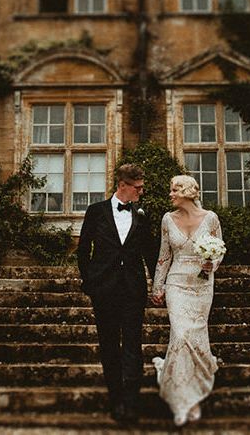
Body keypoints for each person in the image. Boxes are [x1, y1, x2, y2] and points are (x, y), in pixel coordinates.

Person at [77, 163, 159, 425]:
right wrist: (90, 282)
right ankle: (116, 402)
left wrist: (158, 283)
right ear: (122, 185)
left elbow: (150, 252)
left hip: (133, 290)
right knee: (109, 346)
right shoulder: (96, 211)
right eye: (137, 188)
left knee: (133, 346)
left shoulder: (143, 215)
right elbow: (83, 250)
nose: (141, 192)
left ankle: (132, 404)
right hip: (104, 290)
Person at [151, 174, 223, 426]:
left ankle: (193, 399)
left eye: (173, 190)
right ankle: (180, 401)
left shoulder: (211, 218)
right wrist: (157, 286)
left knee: (196, 337)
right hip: (177, 284)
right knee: (181, 336)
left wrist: (211, 262)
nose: (170, 194)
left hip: (202, 284)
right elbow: (163, 256)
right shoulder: (167, 220)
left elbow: (219, 250)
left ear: (187, 192)